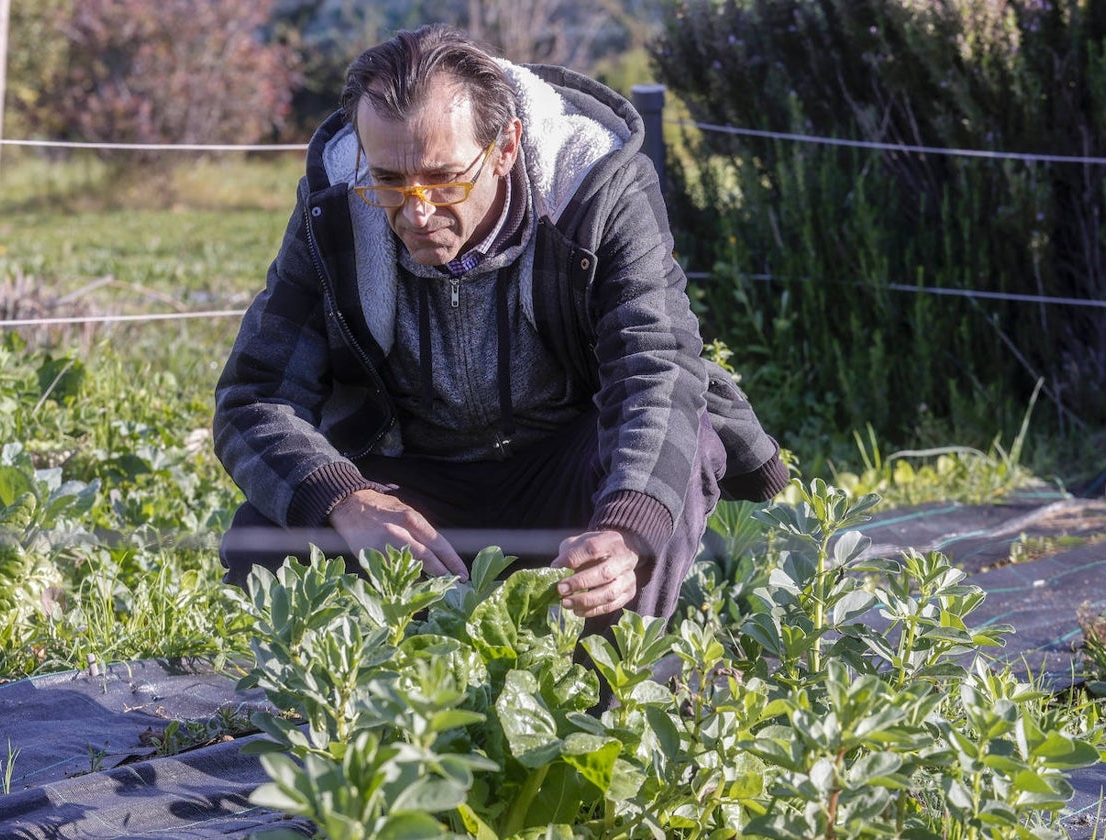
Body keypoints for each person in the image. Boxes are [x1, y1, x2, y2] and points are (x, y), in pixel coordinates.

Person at [213, 23, 788, 628]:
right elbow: (255, 397)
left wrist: (626, 528)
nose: (417, 211)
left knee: (683, 439)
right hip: (418, 492)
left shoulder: (595, 187)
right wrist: (344, 501)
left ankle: (606, 703)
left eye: (443, 178)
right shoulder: (333, 205)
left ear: (507, 145)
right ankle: (365, 705)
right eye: (388, 181)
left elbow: (658, 368)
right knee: (269, 532)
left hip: (569, 479)